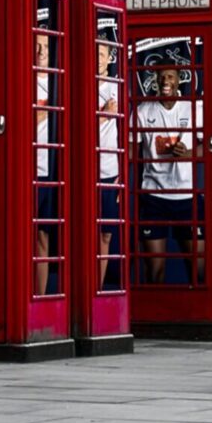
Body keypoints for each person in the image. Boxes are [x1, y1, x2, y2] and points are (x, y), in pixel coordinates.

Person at [135, 64, 203, 284]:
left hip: (187, 195)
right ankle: (155, 315)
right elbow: (128, 149)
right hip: (154, 196)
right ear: (155, 80)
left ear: (179, 80)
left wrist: (190, 153)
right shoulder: (143, 110)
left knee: (199, 268)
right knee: (155, 269)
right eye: (161, 76)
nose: (166, 81)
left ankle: (197, 316)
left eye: (170, 77)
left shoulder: (193, 107)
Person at [33, 29, 60, 296]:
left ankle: (39, 298)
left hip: (53, 172)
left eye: (46, 47)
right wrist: (44, 112)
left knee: (44, 238)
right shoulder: (19, 79)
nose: (41, 53)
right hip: (26, 172)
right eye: (36, 46)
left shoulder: (60, 82)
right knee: (22, 241)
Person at [95, 37, 123, 286]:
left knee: (106, 233)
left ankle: (98, 287)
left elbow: (127, 132)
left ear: (110, 58)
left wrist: (123, 172)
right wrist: (103, 116)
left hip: (110, 170)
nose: (97, 57)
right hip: (83, 170)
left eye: (102, 53)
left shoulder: (117, 86)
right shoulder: (76, 81)